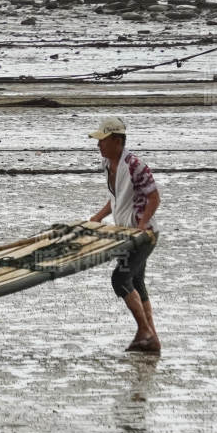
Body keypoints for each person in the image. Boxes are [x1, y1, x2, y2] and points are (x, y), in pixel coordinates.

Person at [86, 116, 162, 354]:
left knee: (120, 279)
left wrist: (141, 226)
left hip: (143, 236)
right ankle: (152, 338)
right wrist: (98, 217)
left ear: (117, 141)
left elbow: (154, 197)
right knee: (136, 282)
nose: (99, 145)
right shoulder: (109, 164)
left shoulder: (134, 165)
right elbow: (115, 199)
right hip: (126, 234)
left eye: (103, 141)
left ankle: (145, 332)